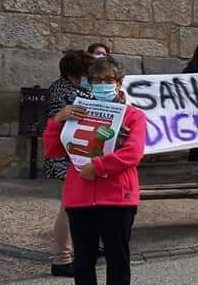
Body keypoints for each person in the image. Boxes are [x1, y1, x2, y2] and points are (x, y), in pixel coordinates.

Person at [43, 56, 146, 285]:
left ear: (119, 82)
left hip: (117, 198)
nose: (102, 85)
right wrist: (58, 120)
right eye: (96, 80)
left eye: (108, 79)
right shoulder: (77, 112)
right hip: (80, 197)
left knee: (117, 261)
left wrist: (98, 167)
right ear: (89, 84)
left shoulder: (133, 116)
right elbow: (53, 150)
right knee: (83, 262)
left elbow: (133, 153)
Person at [42, 49, 95, 277]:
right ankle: (61, 258)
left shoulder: (81, 88)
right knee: (68, 208)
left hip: (80, 154)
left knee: (74, 206)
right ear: (76, 72)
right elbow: (57, 122)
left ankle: (68, 254)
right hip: (67, 157)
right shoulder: (60, 90)